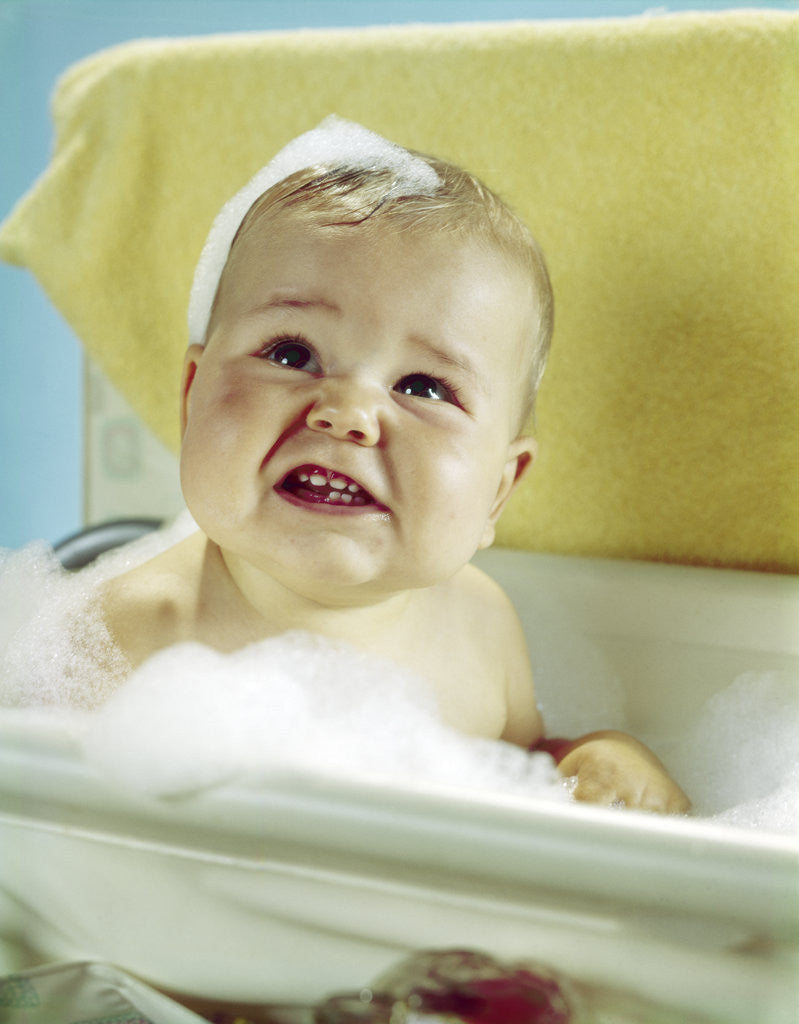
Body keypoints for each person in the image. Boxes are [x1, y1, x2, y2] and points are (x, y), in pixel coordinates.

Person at [100, 117, 689, 814]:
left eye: (424, 387)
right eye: (292, 353)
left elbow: (522, 772)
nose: (347, 411)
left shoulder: (478, 624)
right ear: (192, 397)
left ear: (496, 493)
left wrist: (595, 756)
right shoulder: (125, 634)